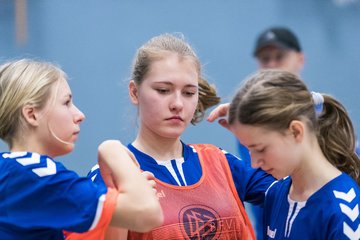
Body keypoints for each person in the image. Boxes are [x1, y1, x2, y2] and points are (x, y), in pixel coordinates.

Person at [89, 33, 275, 239]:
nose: (177, 104)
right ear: (134, 92)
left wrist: (261, 133)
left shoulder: (221, 162)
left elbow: (300, 191)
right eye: (163, 90)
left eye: (188, 93)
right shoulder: (111, 173)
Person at [0, 59, 163, 240]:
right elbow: (148, 213)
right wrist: (112, 150)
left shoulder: (18, 174)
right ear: (32, 114)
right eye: (66, 103)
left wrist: (119, 194)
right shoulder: (35, 175)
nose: (79, 115)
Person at [208, 69, 360, 239]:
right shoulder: (277, 193)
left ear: (296, 131)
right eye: (249, 149)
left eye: (260, 149)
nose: (254, 163)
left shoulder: (343, 212)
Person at [239, 26, 306, 239]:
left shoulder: (324, 116)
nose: (272, 65)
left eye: (280, 56)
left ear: (300, 59)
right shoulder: (249, 124)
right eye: (265, 59)